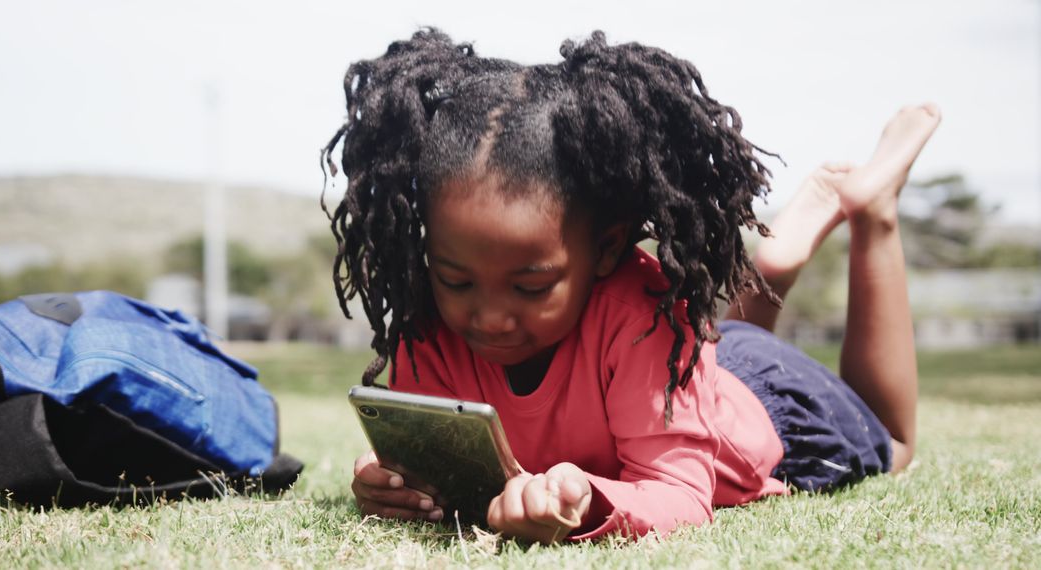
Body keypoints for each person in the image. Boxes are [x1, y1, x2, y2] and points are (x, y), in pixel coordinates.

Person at [324, 29, 941, 543]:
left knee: (895, 444)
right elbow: (456, 470)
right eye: (455, 279)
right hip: (699, 364)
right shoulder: (424, 319)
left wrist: (588, 502)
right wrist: (397, 482)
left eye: (531, 287)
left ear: (609, 247)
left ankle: (872, 212)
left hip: (763, 407)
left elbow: (680, 495)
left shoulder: (646, 314)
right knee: (713, 340)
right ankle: (773, 266)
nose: (489, 316)